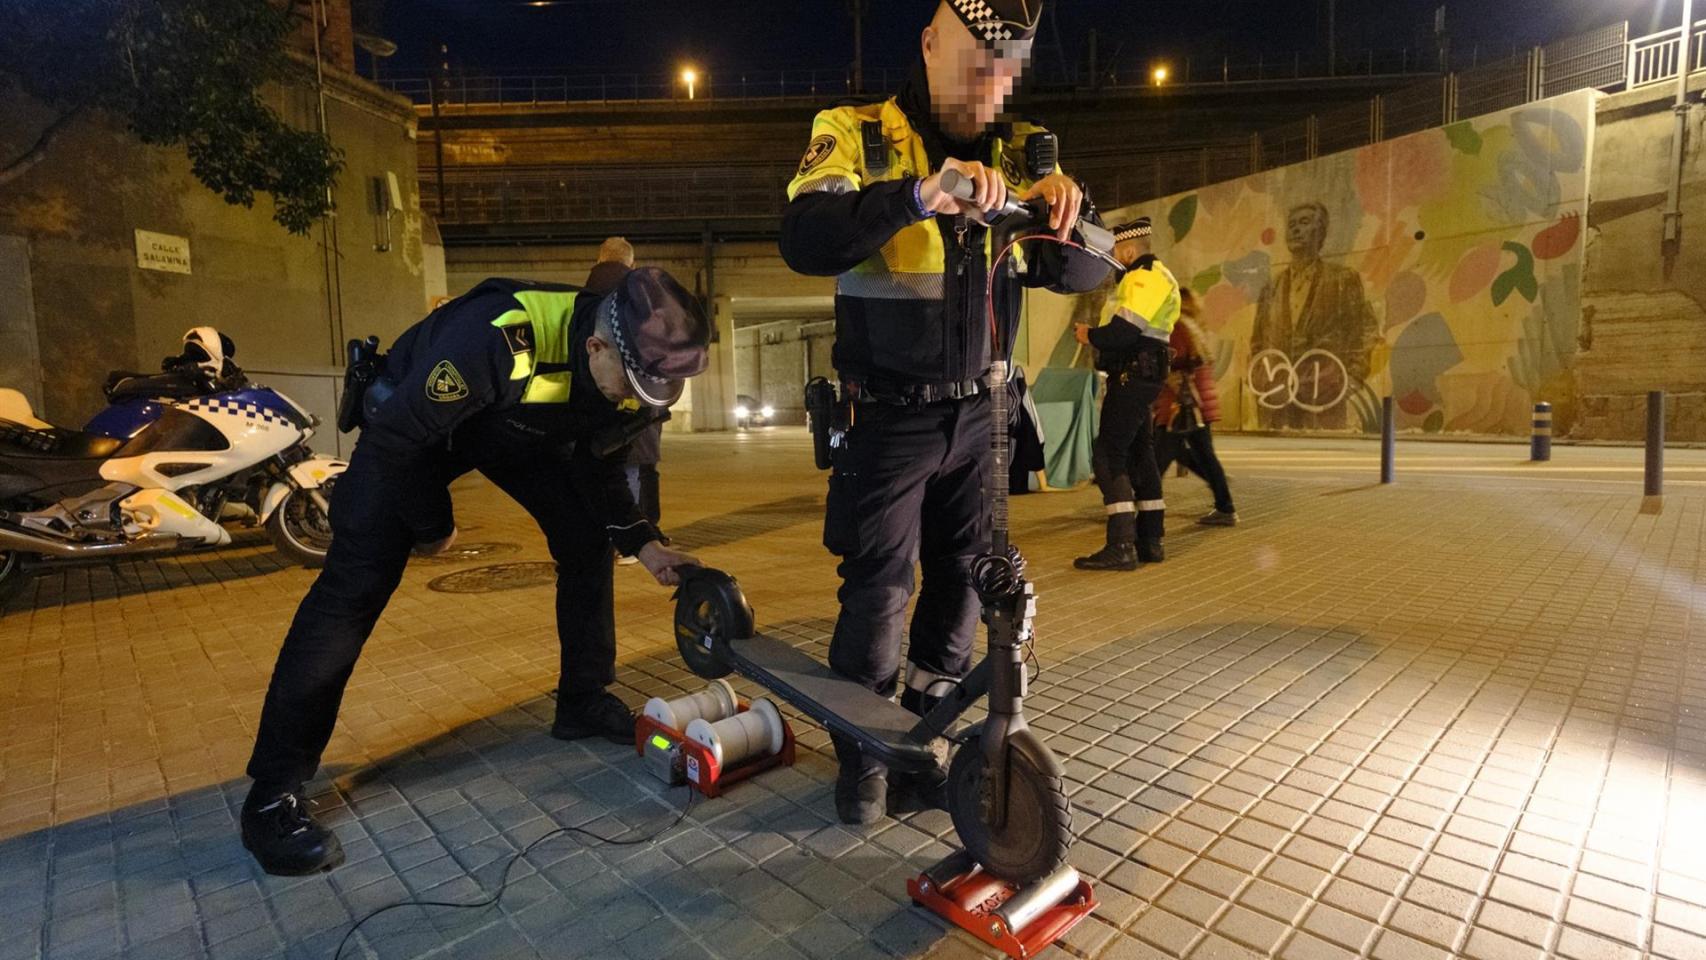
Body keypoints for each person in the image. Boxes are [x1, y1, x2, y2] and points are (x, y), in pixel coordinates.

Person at [239, 266, 709, 876]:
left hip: (503, 430)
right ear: (595, 346)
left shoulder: (620, 368)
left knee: (585, 538)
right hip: (410, 432)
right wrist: (432, 526)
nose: (633, 400)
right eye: (633, 384)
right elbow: (396, 441)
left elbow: (593, 465)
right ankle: (272, 793)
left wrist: (644, 544)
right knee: (354, 587)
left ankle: (582, 700)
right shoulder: (496, 336)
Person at [779, 0, 1112, 824]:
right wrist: (919, 195)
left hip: (981, 418)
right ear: (930, 43)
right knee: (879, 595)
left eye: (1006, 68)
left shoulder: (1022, 153)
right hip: (886, 420)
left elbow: (1091, 275)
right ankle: (861, 772)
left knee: (963, 587)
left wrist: (1060, 215)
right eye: (975, 60)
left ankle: (922, 747)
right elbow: (806, 237)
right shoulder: (857, 132)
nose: (991, 84)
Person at [1073, 216, 1181, 571]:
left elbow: (1122, 332)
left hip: (1133, 374)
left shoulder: (1141, 277)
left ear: (1130, 249)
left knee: (1107, 454)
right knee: (1140, 453)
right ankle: (1151, 540)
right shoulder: (1162, 275)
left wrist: (1090, 335)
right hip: (1146, 373)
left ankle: (1121, 545)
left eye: (1114, 252)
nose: (1111, 260)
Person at [1250, 201, 1377, 430]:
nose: (1295, 230)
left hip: (1324, 395)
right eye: (1291, 225)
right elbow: (1258, 342)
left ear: (1321, 232)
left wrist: (1352, 378)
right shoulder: (1271, 288)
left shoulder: (1342, 279)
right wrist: (1260, 379)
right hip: (1276, 399)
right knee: (1278, 462)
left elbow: (1365, 329)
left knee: (1323, 457)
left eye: (1304, 222)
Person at [1154, 288, 1237, 526]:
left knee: (1160, 458)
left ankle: (1142, 508)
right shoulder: (1192, 325)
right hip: (1197, 405)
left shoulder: (1177, 327)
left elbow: (1176, 359)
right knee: (1203, 456)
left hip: (1181, 407)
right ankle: (1225, 506)